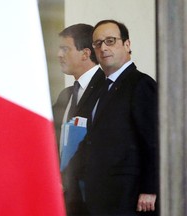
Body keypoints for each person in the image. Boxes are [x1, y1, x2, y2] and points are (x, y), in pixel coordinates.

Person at [62, 20, 158, 215]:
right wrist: (62, 178)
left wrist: (150, 189)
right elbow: (91, 141)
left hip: (129, 198)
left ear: (127, 45)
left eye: (110, 41)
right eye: (98, 43)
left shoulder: (140, 84)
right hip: (102, 197)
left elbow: (153, 141)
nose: (103, 48)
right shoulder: (104, 88)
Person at [52, 24, 105, 215]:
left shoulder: (108, 90)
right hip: (65, 198)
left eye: (65, 48)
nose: (59, 54)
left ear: (85, 53)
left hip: (94, 200)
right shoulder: (66, 95)